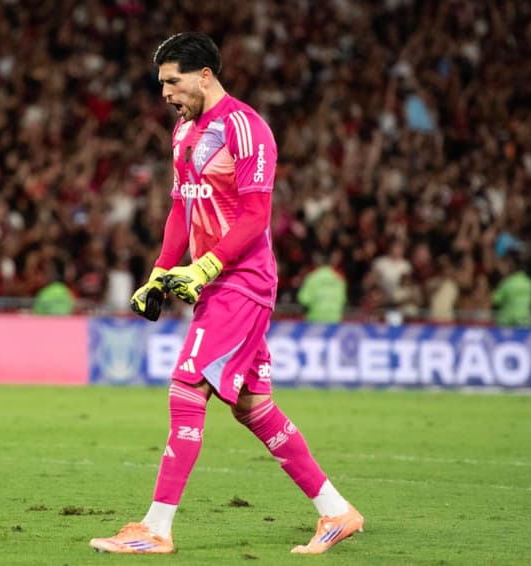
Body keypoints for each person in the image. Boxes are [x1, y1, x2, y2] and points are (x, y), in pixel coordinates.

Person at [89, 32, 363, 556]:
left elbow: (257, 216)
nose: (166, 92)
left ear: (205, 75)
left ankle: (157, 528)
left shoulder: (245, 128)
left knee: (187, 389)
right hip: (214, 282)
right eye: (161, 82)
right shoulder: (183, 132)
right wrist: (159, 273)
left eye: (173, 81)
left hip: (242, 280)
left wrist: (206, 266)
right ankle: (336, 511)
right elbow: (180, 208)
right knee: (254, 406)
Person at [297, 251, 347, 323]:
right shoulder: (339, 279)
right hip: (334, 321)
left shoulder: (311, 278)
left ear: (317, 263)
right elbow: (343, 300)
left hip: (315, 320)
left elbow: (303, 299)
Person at [491, 252, 531, 327]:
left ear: (510, 265)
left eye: (503, 264)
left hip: (506, 326)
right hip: (525, 326)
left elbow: (494, 301)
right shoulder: (529, 282)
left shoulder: (507, 284)